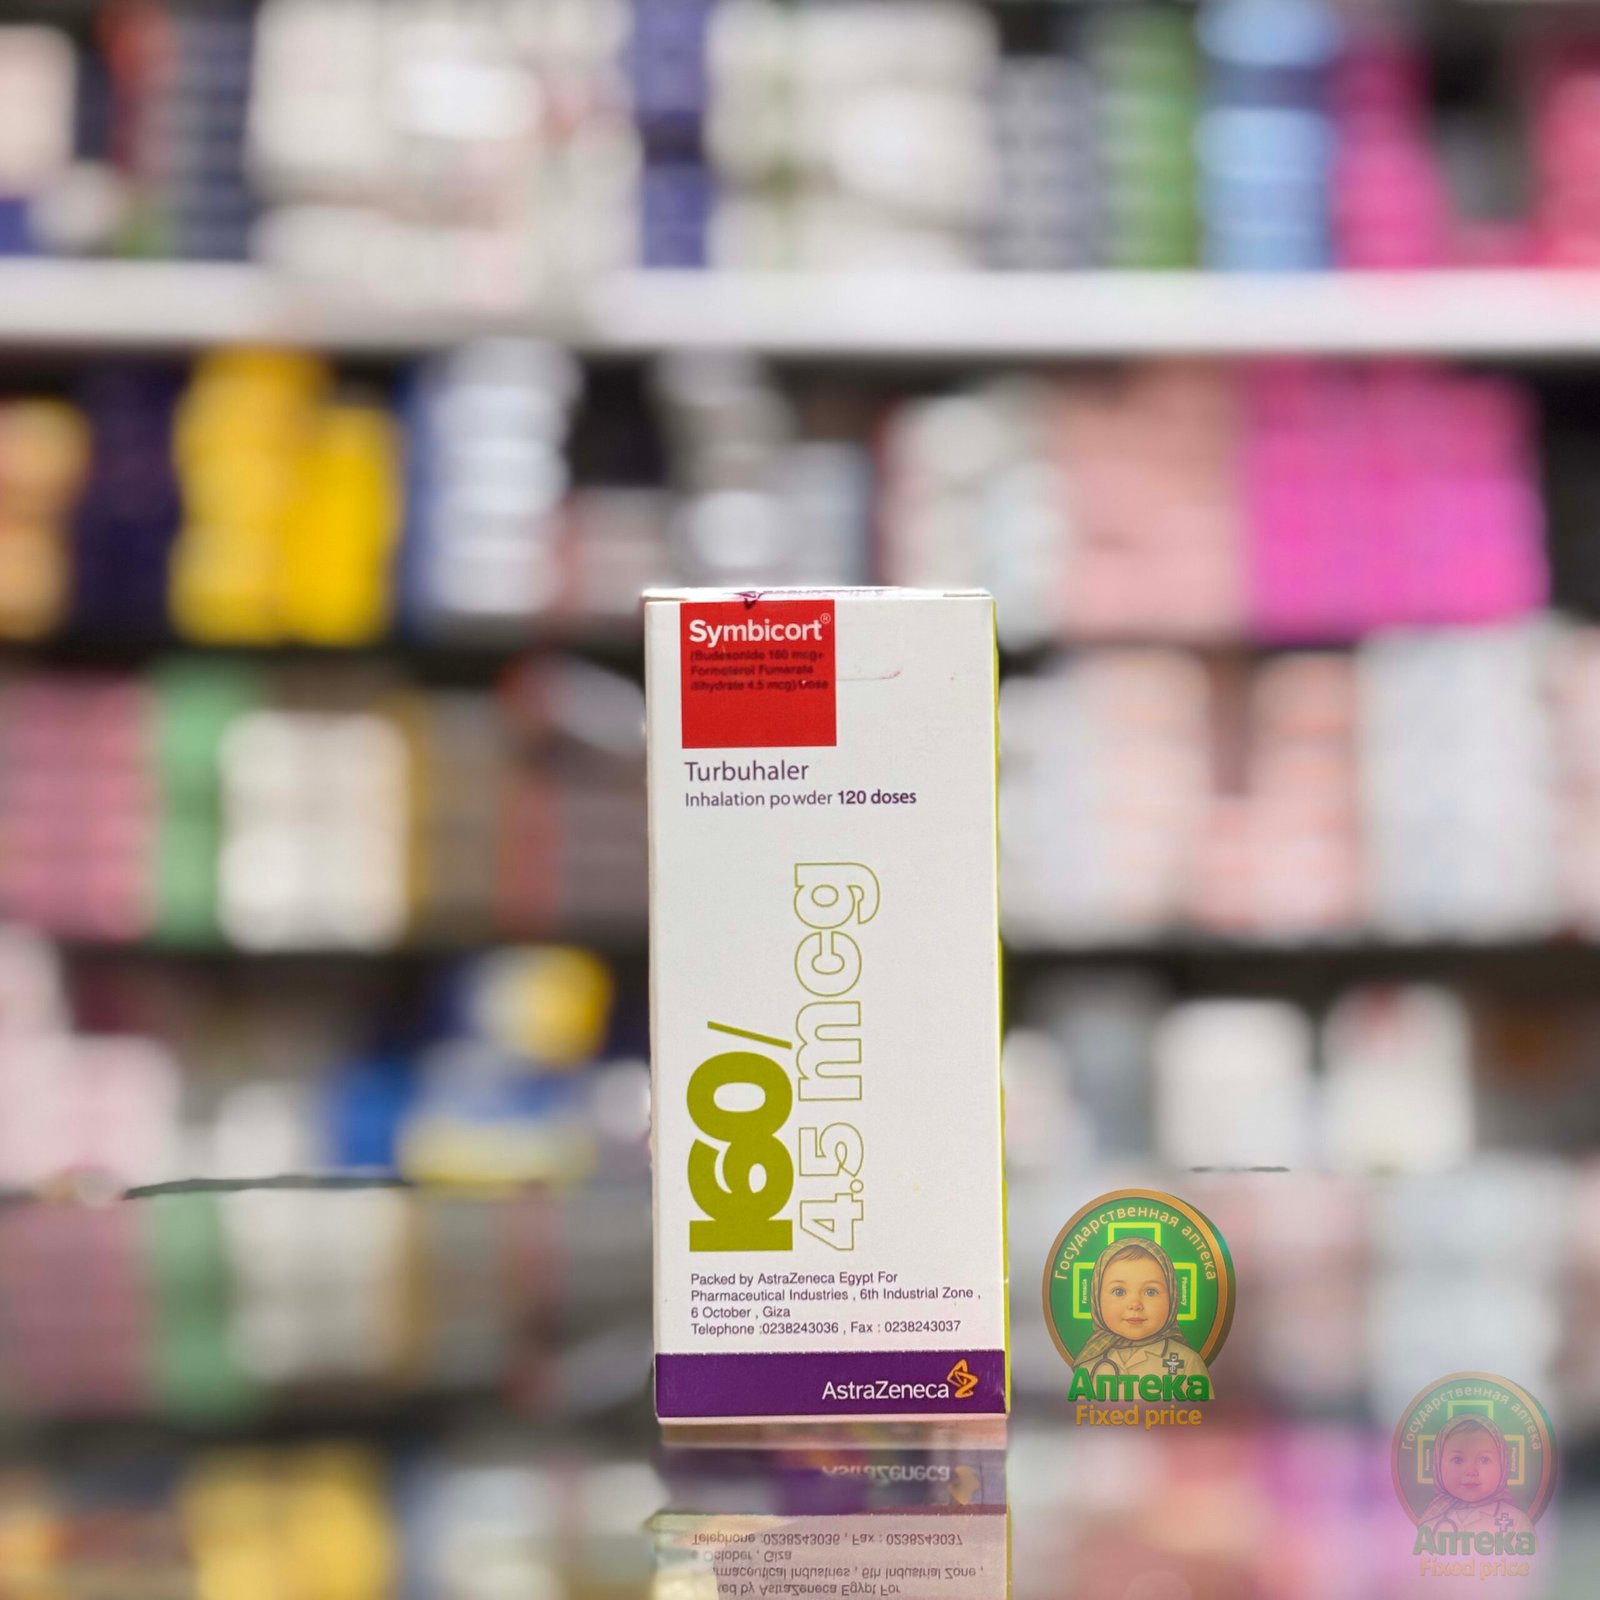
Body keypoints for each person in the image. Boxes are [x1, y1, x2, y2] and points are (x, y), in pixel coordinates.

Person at [1074, 1237, 1209, 1384]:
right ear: (1096, 1298)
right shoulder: (1088, 1361)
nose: (1135, 1304)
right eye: (1119, 1291)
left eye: (1150, 1292)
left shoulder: (1188, 1361)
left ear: (1172, 1297)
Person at [1419, 1416, 1535, 1538]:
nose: (1471, 1471)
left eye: (1484, 1460)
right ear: (1437, 1465)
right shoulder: (1430, 1520)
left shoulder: (1517, 1521)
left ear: (1503, 1464)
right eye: (1457, 1460)